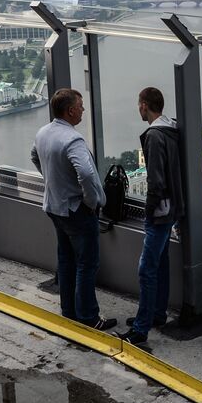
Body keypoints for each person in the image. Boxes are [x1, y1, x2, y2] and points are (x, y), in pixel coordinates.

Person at [31, 89, 115, 330]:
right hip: (76, 209)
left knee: (66, 259)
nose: (83, 110)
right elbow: (86, 174)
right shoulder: (72, 140)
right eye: (80, 106)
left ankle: (69, 311)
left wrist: (52, 181)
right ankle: (88, 317)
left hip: (54, 206)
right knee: (87, 264)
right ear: (70, 111)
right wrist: (91, 201)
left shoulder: (43, 132)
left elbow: (34, 156)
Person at [121, 87, 184, 346]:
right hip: (172, 208)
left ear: (145, 105)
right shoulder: (171, 129)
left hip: (160, 211)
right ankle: (156, 314)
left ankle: (141, 329)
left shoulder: (154, 136)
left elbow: (156, 180)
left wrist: (149, 209)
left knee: (146, 269)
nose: (138, 108)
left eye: (139, 104)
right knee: (161, 263)